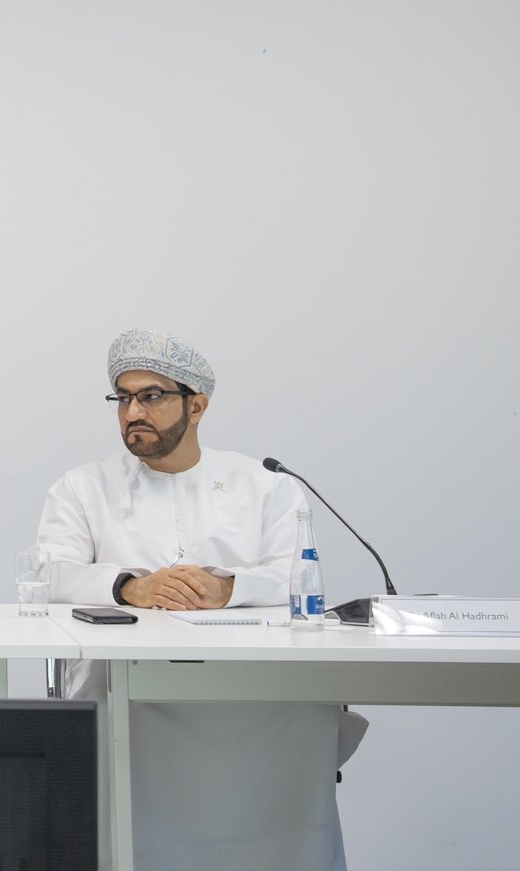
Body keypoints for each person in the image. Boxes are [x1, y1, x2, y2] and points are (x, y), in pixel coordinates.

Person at [30, 328, 363, 871]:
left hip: (252, 692)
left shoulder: (266, 485)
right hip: (128, 691)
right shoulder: (82, 488)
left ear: (197, 405)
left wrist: (228, 589)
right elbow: (48, 572)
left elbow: (298, 578)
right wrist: (129, 587)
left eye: (151, 396)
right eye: (123, 399)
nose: (133, 412)